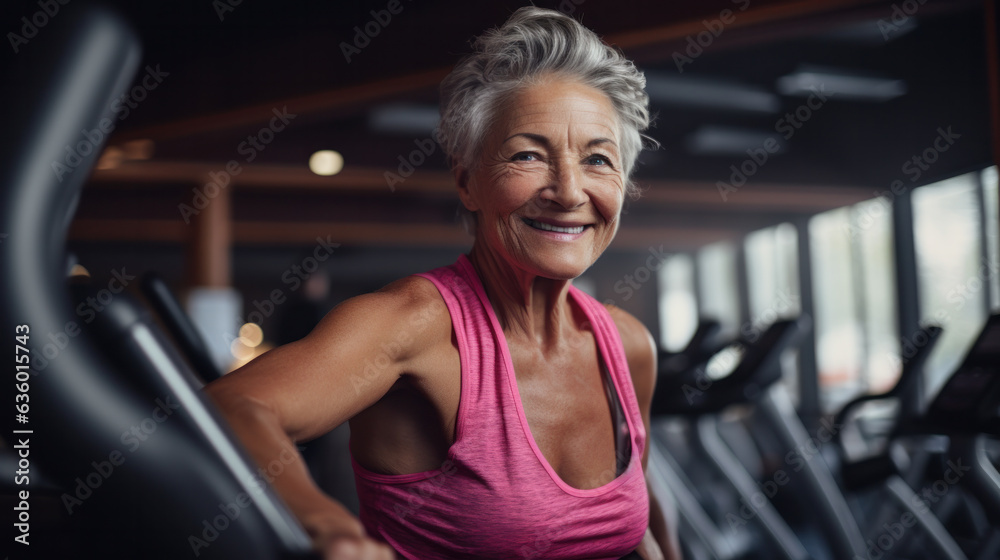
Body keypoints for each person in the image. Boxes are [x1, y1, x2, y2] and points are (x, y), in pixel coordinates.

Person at [206, 6, 681, 559]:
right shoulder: (411, 325)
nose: (570, 192)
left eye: (598, 160)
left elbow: (638, 524)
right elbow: (227, 407)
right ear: (467, 181)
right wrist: (326, 524)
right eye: (528, 154)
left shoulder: (627, 345)